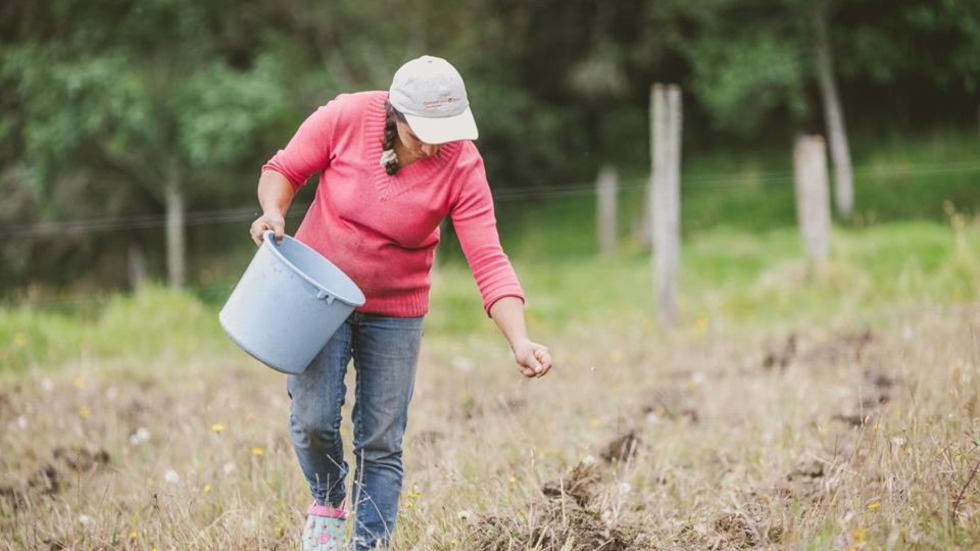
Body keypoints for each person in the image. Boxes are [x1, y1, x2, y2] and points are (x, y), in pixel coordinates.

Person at [248, 55, 553, 551]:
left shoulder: (462, 163)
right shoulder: (346, 117)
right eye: (421, 132)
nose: (433, 143)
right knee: (313, 418)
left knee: (382, 440)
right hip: (319, 293)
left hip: (396, 309)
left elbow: (489, 259)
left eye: (444, 131)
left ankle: (369, 545)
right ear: (395, 113)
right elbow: (283, 169)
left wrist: (519, 339)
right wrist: (272, 214)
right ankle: (327, 500)